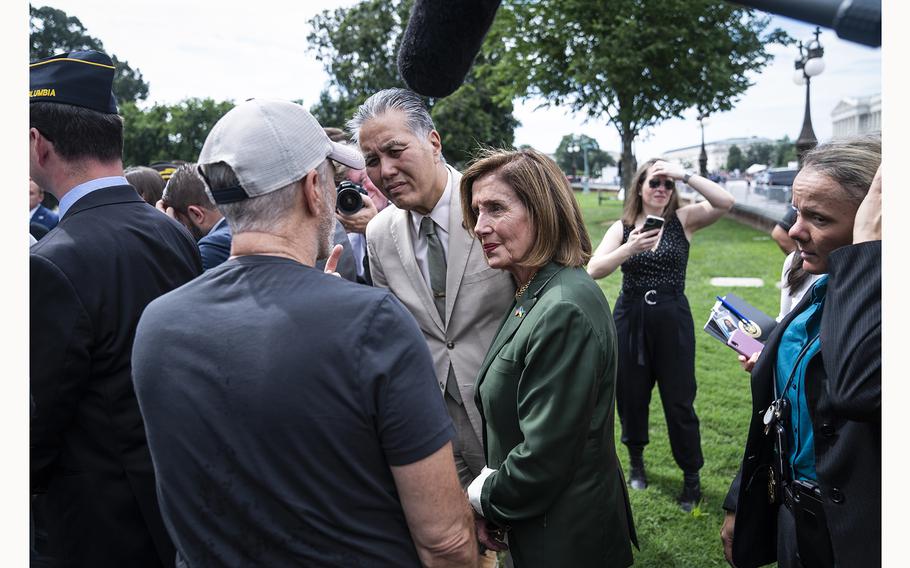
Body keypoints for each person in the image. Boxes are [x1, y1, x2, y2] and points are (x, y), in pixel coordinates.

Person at [131, 98, 477, 567]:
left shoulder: (157, 323)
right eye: (335, 179)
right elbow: (445, 542)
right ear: (315, 189)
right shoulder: (372, 324)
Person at [29, 50, 202, 566]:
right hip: (175, 511)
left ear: (38, 144)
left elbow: (36, 424)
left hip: (96, 532)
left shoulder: (50, 262)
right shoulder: (172, 233)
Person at [462, 148, 637, 567]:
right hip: (543, 526)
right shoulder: (534, 289)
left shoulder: (562, 306)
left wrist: (482, 500)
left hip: (565, 537)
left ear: (542, 211)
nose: (480, 227)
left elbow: (543, 457)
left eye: (496, 209)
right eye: (476, 211)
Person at [721, 135, 881, 568]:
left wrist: (871, 254)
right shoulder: (821, 288)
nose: (793, 231)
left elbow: (857, 390)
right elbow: (780, 410)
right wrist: (742, 498)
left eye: (819, 218)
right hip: (797, 516)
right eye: (797, 211)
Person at [348, 89, 515, 488]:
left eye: (395, 150)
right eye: (372, 160)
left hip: (513, 414)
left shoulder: (493, 206)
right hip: (432, 428)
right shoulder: (378, 234)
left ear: (433, 142)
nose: (384, 170)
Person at [587, 159, 735, 510]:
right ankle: (637, 462)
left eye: (668, 185)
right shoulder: (622, 228)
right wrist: (629, 249)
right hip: (630, 318)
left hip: (672, 319)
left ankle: (691, 477)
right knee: (632, 397)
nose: (662, 189)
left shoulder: (682, 221)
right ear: (639, 187)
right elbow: (593, 268)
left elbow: (725, 203)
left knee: (680, 400)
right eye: (655, 182)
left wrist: (683, 173)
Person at [158, 163, 233, 270]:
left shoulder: (211, 248)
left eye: (179, 221)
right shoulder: (242, 227)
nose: (182, 227)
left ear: (197, 214)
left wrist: (169, 231)